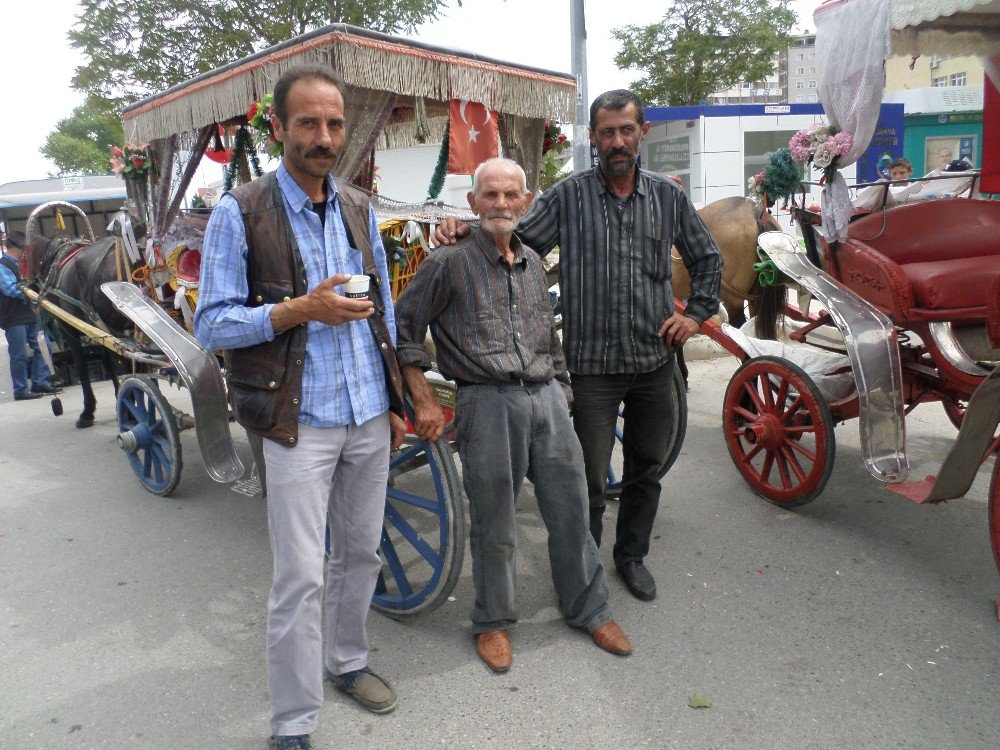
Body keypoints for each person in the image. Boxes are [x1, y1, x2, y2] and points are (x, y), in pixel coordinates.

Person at [435, 90, 722, 602]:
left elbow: (707, 259)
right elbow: (511, 242)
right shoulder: (569, 197)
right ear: (593, 137)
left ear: (643, 133)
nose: (617, 141)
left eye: (625, 130)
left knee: (645, 471)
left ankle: (630, 556)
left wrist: (696, 315)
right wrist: (464, 227)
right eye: (607, 132)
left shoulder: (667, 197)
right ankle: (584, 572)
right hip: (591, 370)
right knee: (586, 480)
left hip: (655, 364)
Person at [194, 64, 406, 750]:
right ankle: (292, 723)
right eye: (309, 122)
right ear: (279, 126)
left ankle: (349, 662)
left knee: (362, 553)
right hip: (296, 423)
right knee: (298, 576)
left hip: (368, 411)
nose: (324, 136)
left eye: (334, 123)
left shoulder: (357, 207)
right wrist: (298, 310)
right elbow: (214, 326)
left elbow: (387, 313)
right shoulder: (242, 211)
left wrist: (398, 394)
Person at [396, 157, 632, 673]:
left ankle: (588, 609)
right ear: (473, 203)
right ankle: (493, 621)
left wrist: (563, 389)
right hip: (486, 401)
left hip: (546, 398)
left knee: (573, 509)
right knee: (495, 521)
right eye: (490, 195)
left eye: (510, 196)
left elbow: (548, 335)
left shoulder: (530, 262)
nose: (501, 204)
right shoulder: (447, 262)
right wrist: (424, 396)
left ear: (525, 202)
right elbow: (404, 330)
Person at [1, 230, 59, 401]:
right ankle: (20, 389)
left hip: (31, 314)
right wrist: (34, 291)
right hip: (13, 318)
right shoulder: (3, 265)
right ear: (18, 248)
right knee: (18, 355)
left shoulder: (22, 265)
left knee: (44, 347)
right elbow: (10, 289)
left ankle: (40, 381)